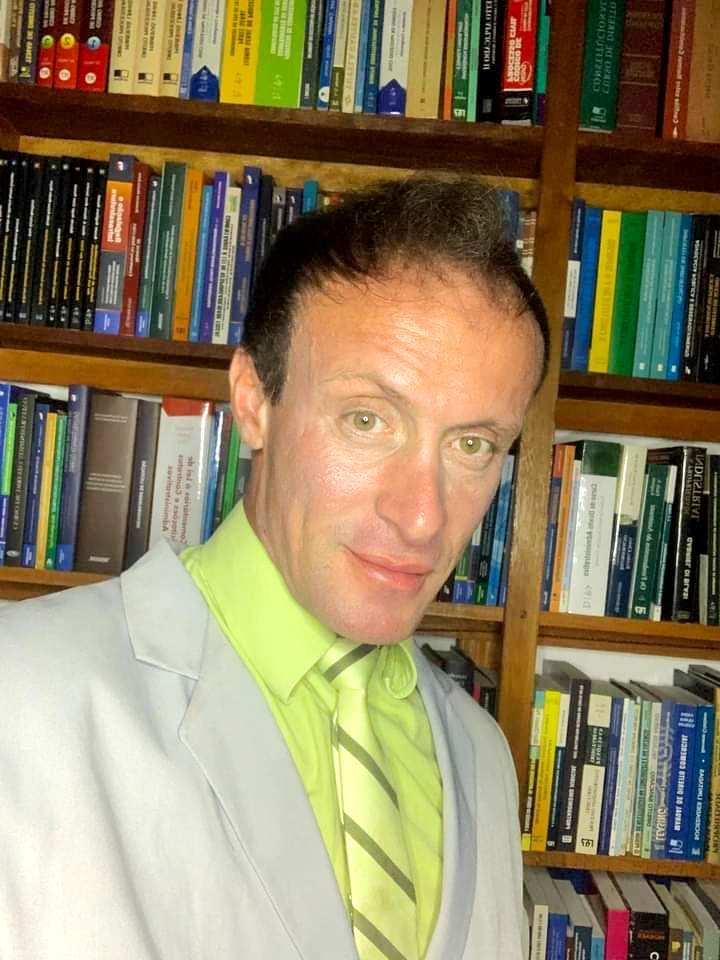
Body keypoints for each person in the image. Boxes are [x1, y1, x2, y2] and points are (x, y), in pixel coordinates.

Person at [0, 175, 549, 960]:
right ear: (254, 401)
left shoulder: (483, 757)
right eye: (368, 419)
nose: (423, 516)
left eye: (473, 444)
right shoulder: (20, 692)